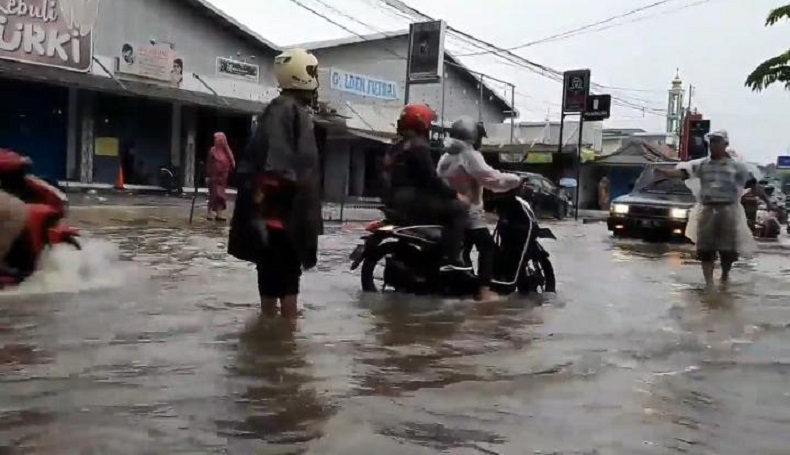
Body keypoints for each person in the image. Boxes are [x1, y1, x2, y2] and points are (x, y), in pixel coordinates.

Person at [228, 48, 323, 319]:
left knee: (273, 278)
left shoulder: (287, 110)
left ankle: (272, 333)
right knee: (285, 279)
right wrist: (268, 207)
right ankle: (284, 336)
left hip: (281, 214)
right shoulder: (285, 111)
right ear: (301, 75)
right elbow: (277, 165)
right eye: (312, 72)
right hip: (280, 217)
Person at [657, 130, 755, 289]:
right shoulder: (702, 165)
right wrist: (666, 173)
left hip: (728, 210)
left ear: (725, 144)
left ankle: (724, 276)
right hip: (707, 209)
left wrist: (768, 203)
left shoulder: (737, 167)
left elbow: (752, 184)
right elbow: (683, 173)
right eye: (712, 142)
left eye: (717, 142)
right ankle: (709, 283)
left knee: (728, 249)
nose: (713, 145)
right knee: (705, 248)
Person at [437, 117, 522, 301]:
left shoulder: (446, 156)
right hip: (468, 213)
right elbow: (491, 178)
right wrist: (516, 180)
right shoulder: (469, 155)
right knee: (487, 246)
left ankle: (465, 283)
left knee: (466, 249)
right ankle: (484, 290)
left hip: (449, 210)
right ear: (472, 137)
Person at [384, 104, 471, 272]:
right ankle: (451, 258)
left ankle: (432, 252)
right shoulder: (418, 146)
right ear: (421, 123)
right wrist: (455, 194)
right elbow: (430, 180)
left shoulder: (397, 145)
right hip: (412, 199)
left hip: (395, 199)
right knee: (459, 209)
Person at [206, 132, 235, 221]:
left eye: (217, 139)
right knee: (213, 196)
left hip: (222, 179)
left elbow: (232, 163)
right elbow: (209, 164)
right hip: (214, 178)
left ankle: (219, 214)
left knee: (221, 197)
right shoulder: (212, 151)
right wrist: (208, 175)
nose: (216, 140)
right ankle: (209, 212)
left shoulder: (227, 151)